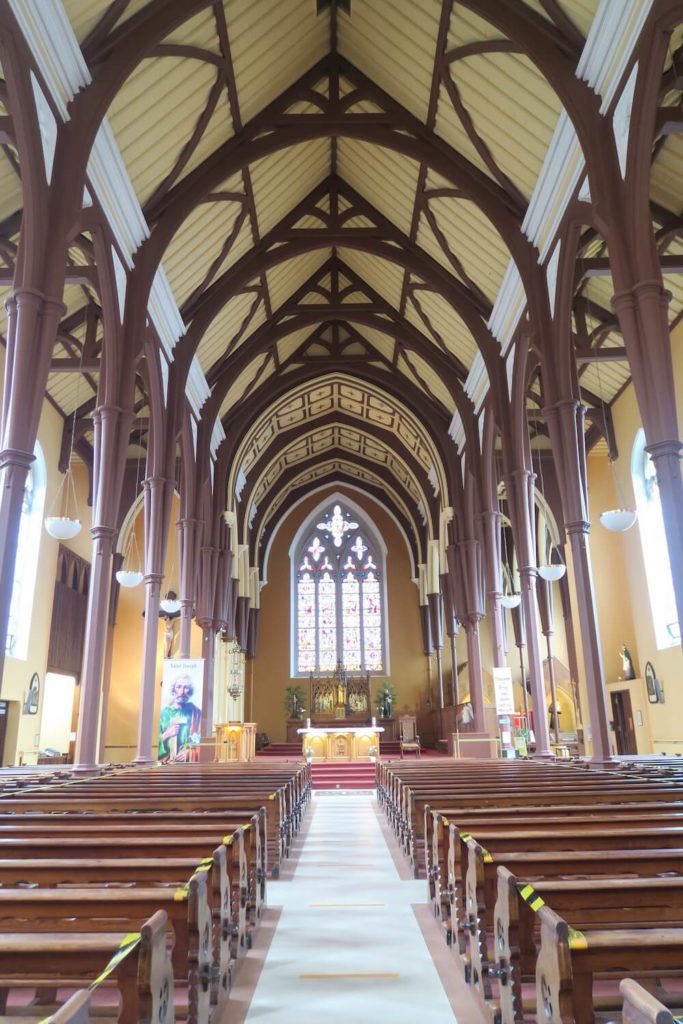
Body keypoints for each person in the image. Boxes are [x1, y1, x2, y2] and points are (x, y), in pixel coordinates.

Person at [158, 674, 202, 763]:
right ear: (173, 689)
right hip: (166, 762)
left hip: (188, 763)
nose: (182, 692)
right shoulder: (164, 713)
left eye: (186, 687)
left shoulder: (196, 713)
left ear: (190, 691)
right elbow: (155, 740)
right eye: (178, 687)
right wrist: (166, 734)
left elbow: (200, 739)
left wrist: (190, 752)